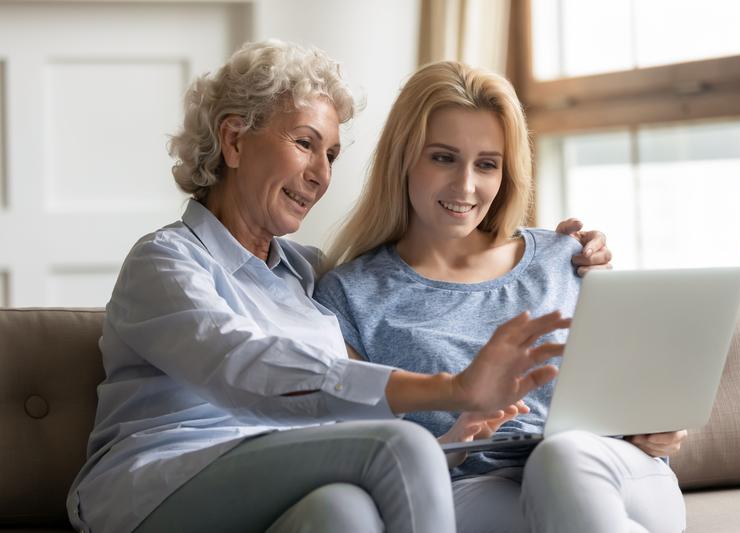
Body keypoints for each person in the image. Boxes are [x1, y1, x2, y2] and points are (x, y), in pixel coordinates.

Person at [66, 41, 604, 533]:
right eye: (305, 144)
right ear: (233, 140)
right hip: (164, 483)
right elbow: (245, 367)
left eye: (331, 156)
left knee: (344, 512)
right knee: (402, 446)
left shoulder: (307, 275)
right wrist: (451, 388)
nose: (321, 174)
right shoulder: (164, 261)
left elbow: (342, 414)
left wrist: (454, 441)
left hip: (279, 473)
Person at [315, 61, 688, 533]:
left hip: (614, 472)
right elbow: (356, 455)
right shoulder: (349, 296)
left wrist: (654, 425)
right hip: (474, 489)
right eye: (443, 157)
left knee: (563, 456)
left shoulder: (564, 258)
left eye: (486, 164)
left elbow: (634, 389)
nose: (465, 186)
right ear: (403, 157)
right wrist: (456, 438)